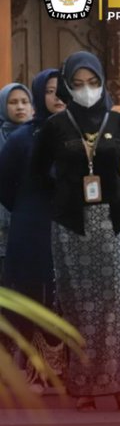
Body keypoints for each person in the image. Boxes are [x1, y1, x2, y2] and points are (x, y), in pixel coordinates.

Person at [31, 52, 120, 411]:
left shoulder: (117, 122)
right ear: (67, 85)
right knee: (79, 306)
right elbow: (38, 174)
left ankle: (118, 386)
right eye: (79, 84)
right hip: (71, 227)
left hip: (112, 224)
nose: (87, 90)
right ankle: (83, 386)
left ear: (102, 83)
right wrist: (63, 196)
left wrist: (118, 190)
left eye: (93, 83)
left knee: (115, 303)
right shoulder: (55, 127)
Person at [0, 70, 65, 388]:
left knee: (64, 297)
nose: (58, 96)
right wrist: (27, 211)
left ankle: (63, 367)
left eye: (63, 90)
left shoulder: (82, 132)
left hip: (71, 228)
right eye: (51, 91)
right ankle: (33, 368)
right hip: (31, 226)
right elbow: (5, 186)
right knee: (32, 294)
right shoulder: (21, 138)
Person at [0, 82, 34, 279]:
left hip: (29, 220)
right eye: (13, 102)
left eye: (24, 101)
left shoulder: (41, 136)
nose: (20, 107)